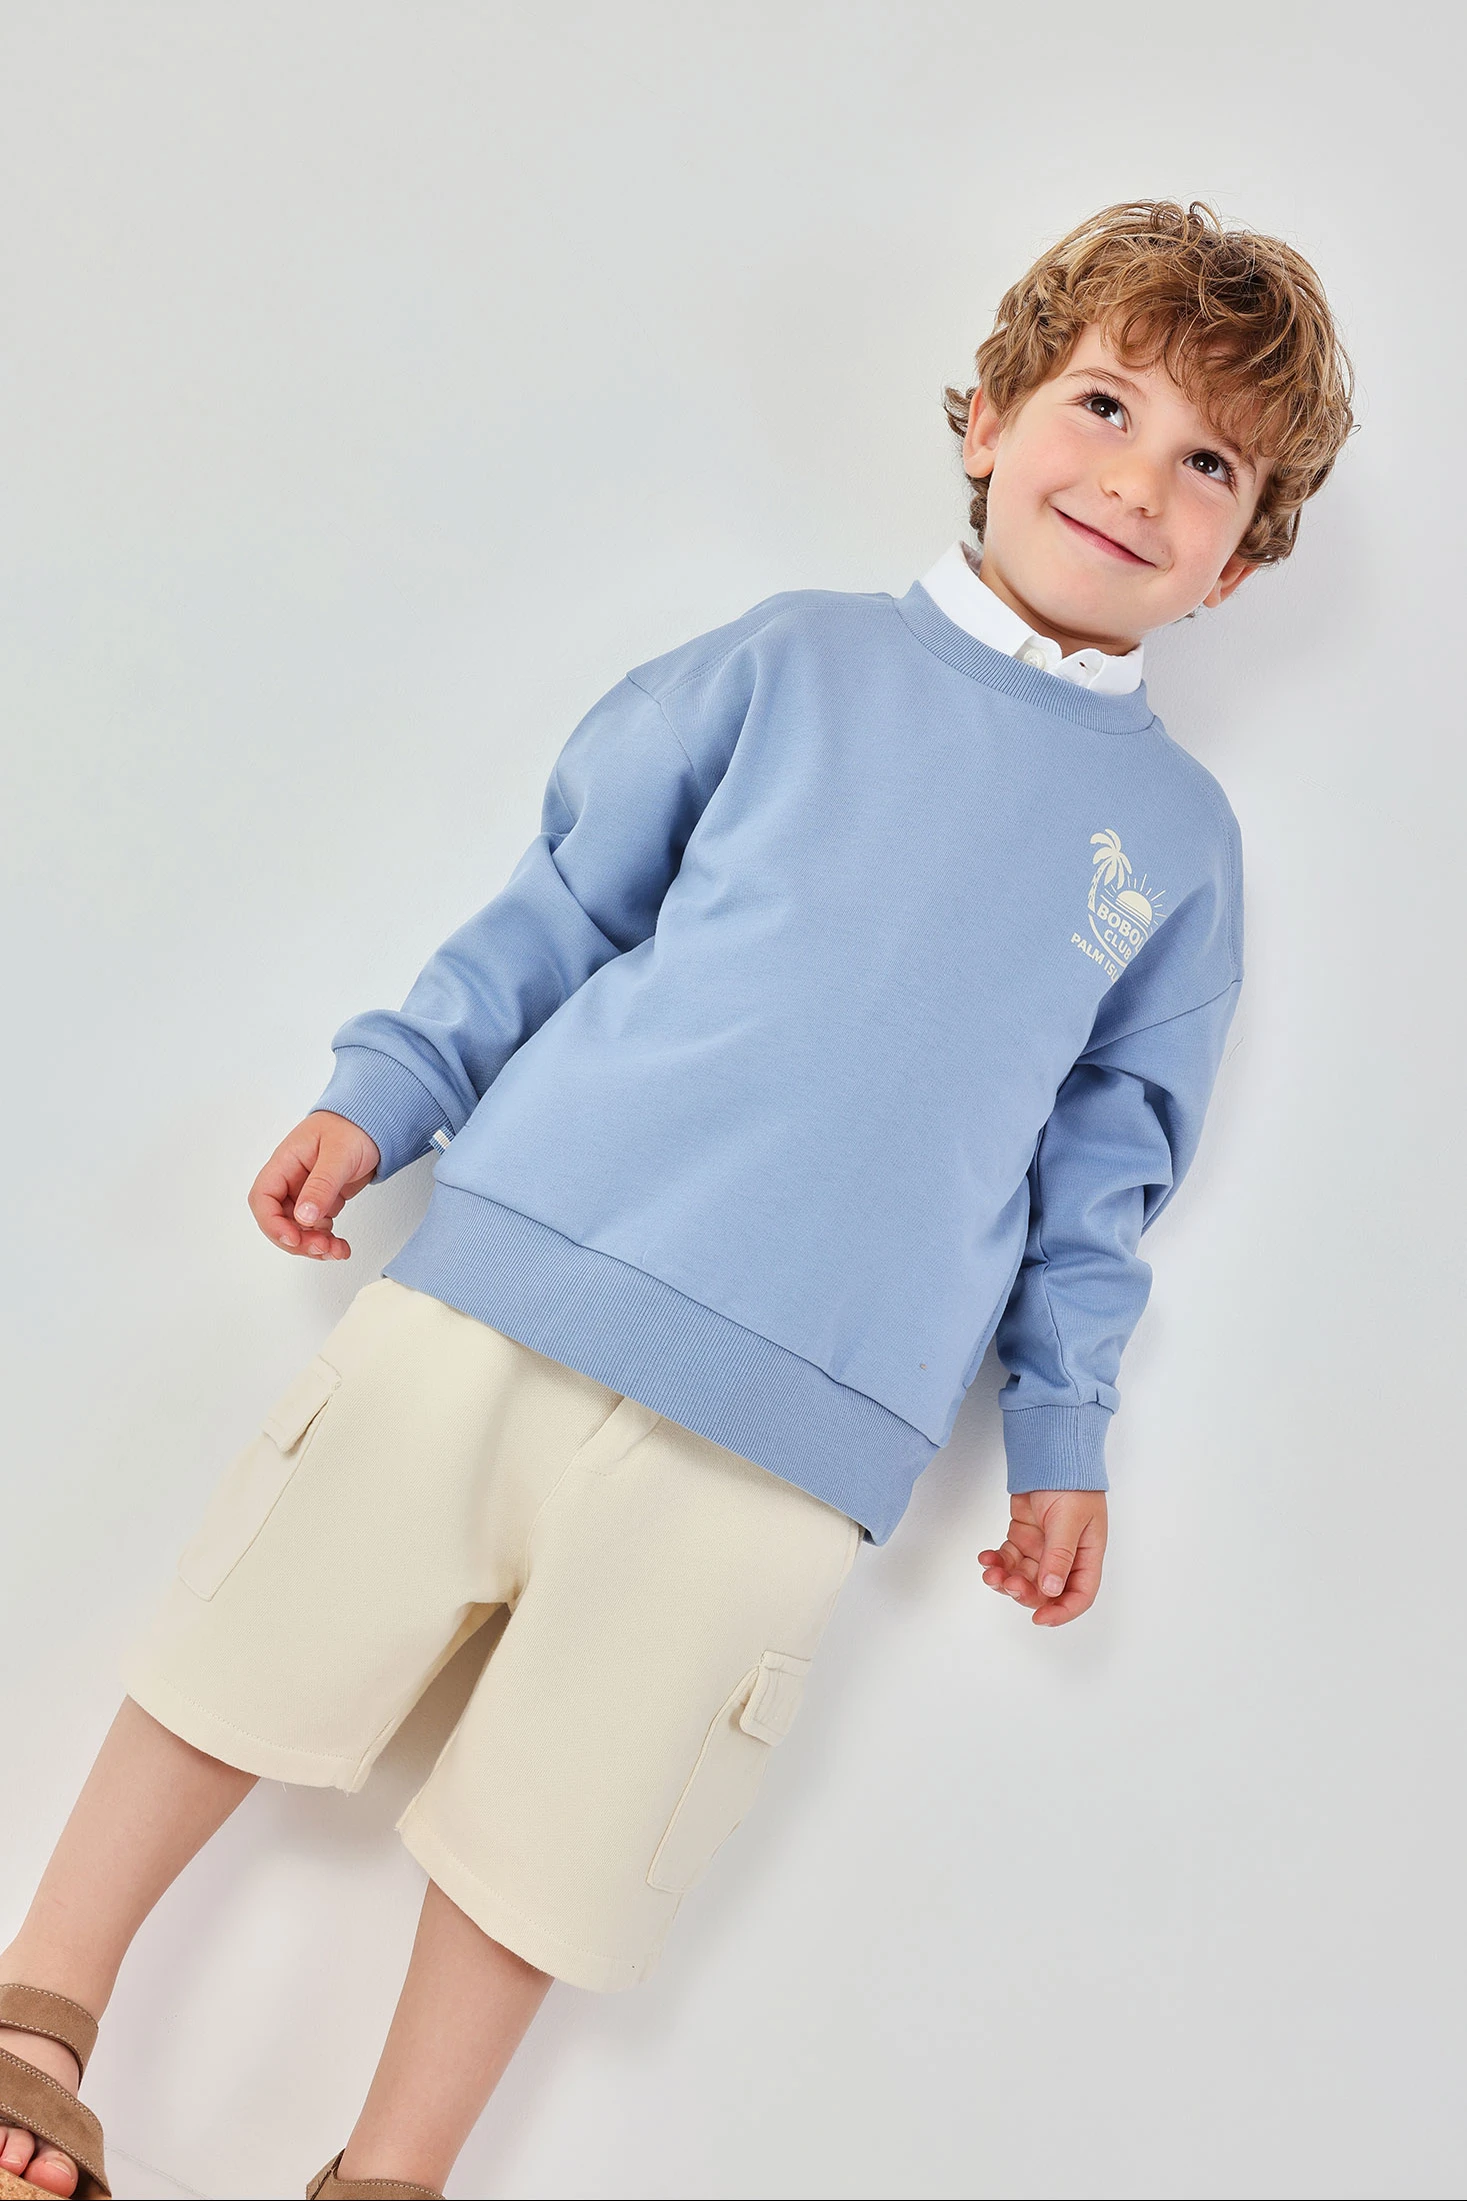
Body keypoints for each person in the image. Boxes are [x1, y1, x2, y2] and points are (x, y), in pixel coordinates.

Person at [0, 200, 1354, 2201]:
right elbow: (566, 899)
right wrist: (389, 1092)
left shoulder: (1176, 843)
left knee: (562, 1829)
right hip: (509, 1283)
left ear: (1237, 562)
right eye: (1103, 405)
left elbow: (1109, 1170)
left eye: (1208, 462)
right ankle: (37, 2016)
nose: (1139, 480)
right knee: (243, 1644)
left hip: (796, 1431)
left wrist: (1063, 1431)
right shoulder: (791, 660)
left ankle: (391, 2173)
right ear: (986, 418)